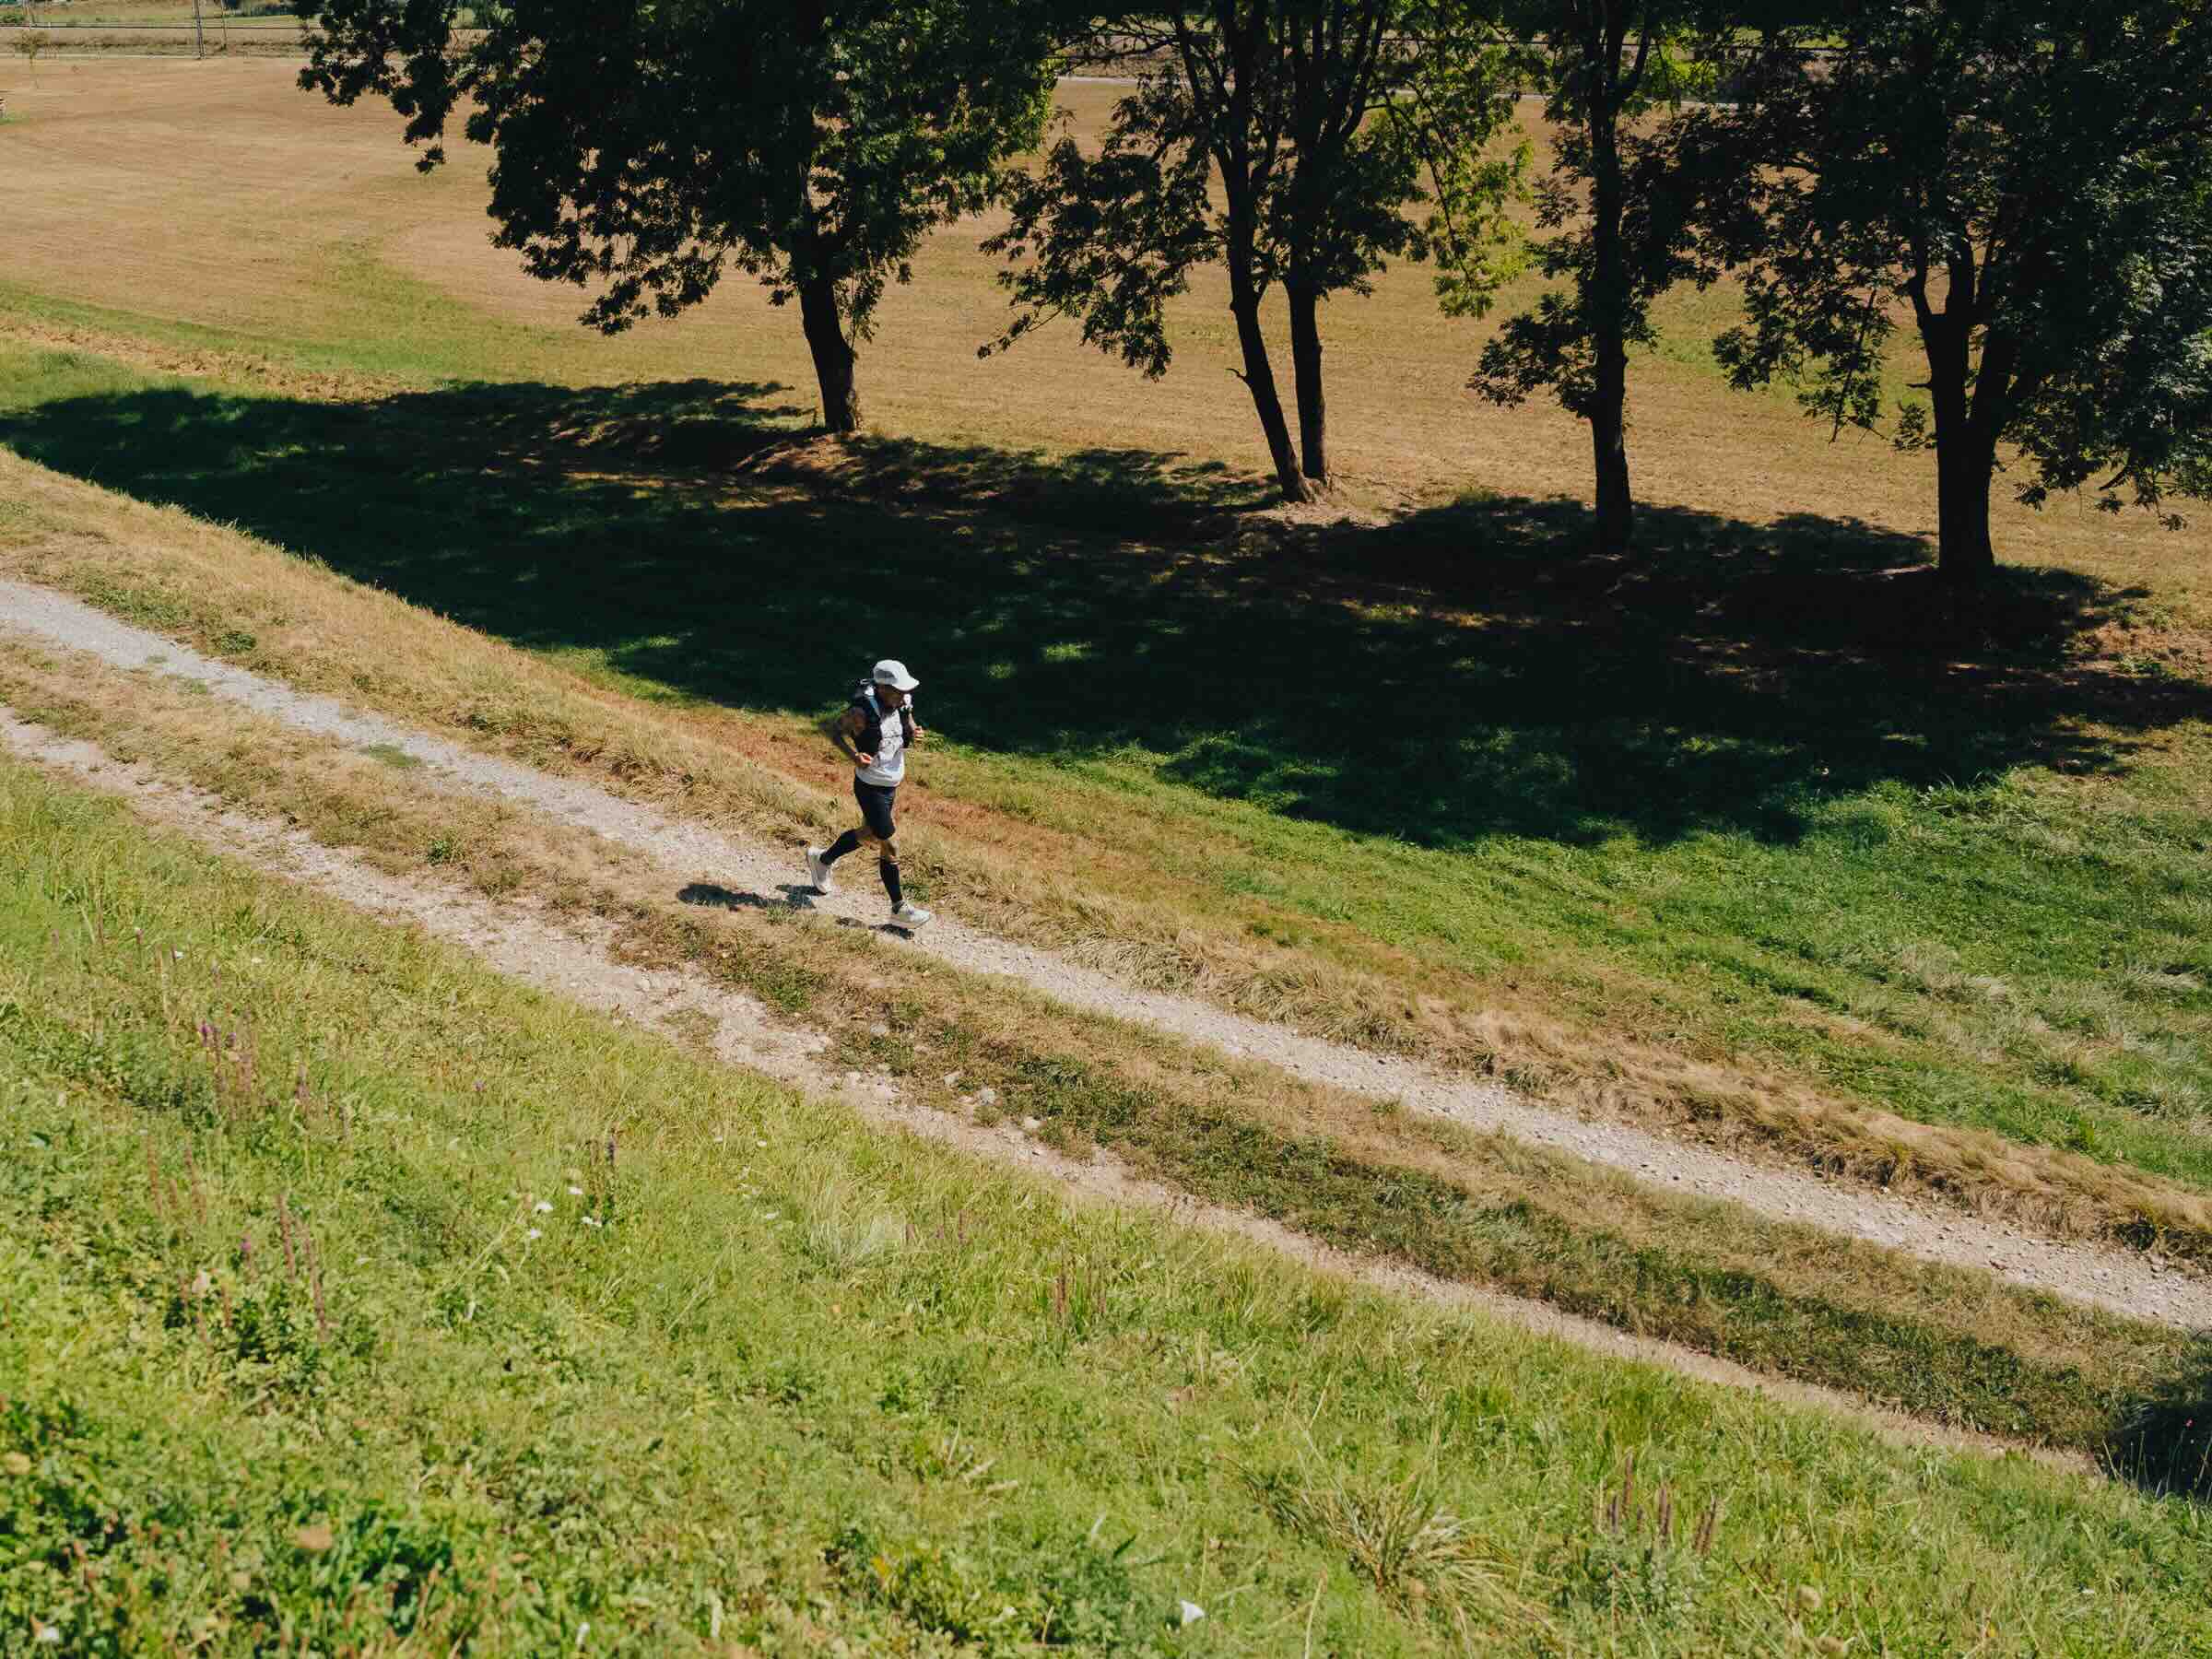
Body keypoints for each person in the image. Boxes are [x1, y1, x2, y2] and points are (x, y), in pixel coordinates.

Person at [806, 659, 934, 927]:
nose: (902, 696)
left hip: (891, 784)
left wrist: (915, 731)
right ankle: (899, 909)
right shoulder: (861, 712)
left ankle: (822, 859)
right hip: (870, 786)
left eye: (903, 691)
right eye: (896, 691)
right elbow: (831, 730)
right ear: (882, 687)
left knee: (870, 835)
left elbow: (908, 722)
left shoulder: (902, 701)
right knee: (890, 844)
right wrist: (854, 756)